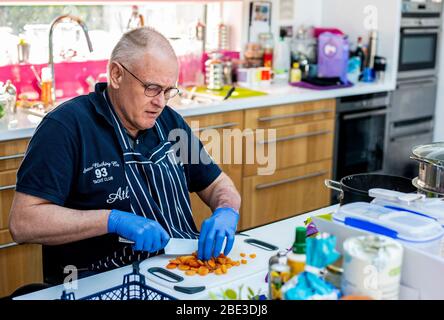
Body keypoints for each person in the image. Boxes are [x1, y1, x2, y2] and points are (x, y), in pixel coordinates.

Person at [9, 27, 241, 284]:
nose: (161, 103)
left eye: (168, 91)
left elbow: (219, 184)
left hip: (184, 270)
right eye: (152, 88)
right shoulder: (66, 127)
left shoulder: (169, 122)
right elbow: (23, 222)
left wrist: (226, 211)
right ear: (117, 74)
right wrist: (111, 220)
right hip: (101, 281)